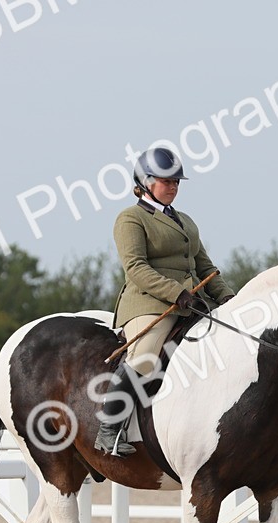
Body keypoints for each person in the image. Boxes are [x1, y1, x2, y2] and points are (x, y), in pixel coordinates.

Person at [94, 146, 235, 457]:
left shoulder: (185, 221)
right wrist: (177, 293)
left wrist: (228, 297)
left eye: (176, 182)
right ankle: (109, 429)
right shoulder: (131, 218)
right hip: (150, 304)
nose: (173, 187)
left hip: (190, 304)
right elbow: (136, 268)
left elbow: (206, 267)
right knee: (145, 355)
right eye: (166, 181)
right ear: (145, 182)